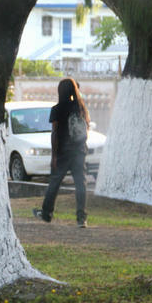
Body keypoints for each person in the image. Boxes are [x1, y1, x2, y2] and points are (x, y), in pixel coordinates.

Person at [34, 77, 90, 227]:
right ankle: (81, 218)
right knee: (80, 184)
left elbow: (54, 134)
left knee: (55, 183)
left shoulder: (57, 109)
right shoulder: (80, 108)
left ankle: (46, 214)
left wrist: (54, 156)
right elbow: (86, 128)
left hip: (63, 153)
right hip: (79, 151)